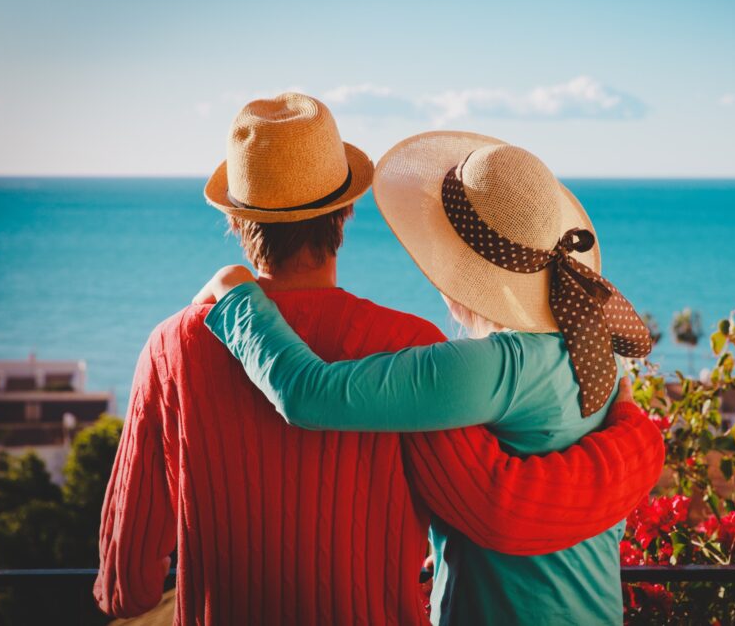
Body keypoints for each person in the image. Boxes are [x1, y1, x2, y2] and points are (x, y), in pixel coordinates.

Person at [95, 94, 665, 626]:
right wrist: (636, 443)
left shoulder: (171, 346)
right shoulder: (419, 343)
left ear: (238, 223)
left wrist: (236, 296)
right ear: (344, 215)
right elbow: (487, 501)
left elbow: (128, 582)